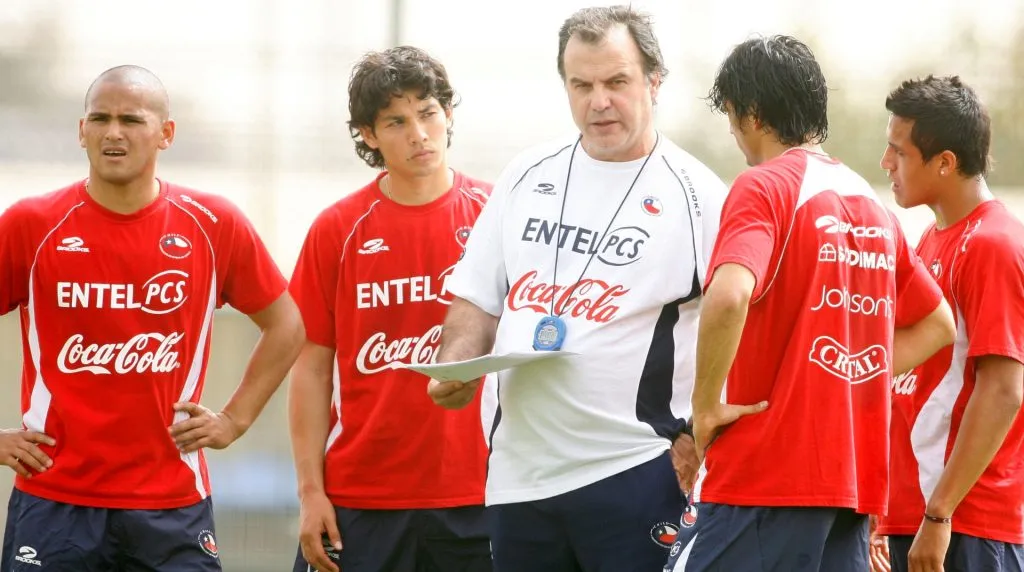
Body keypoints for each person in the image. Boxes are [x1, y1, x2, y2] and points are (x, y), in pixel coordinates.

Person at [428, 6, 728, 571]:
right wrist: (457, 365)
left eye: (617, 82)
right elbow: (477, 296)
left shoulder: (700, 195)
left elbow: (741, 322)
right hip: (519, 475)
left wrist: (697, 429)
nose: (599, 101)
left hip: (635, 467)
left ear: (654, 81)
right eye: (581, 84)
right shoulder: (525, 173)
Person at [664, 36, 957, 572]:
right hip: (848, 489)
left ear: (751, 115)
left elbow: (729, 294)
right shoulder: (870, 202)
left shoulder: (763, 186)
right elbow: (937, 324)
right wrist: (846, 372)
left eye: (731, 119)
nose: (735, 136)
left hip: (764, 482)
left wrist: (705, 409)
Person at [0, 65, 304, 571]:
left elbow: (287, 324)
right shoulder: (32, 224)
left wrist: (234, 420)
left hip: (171, 505)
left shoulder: (213, 224)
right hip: (54, 501)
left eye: (131, 119)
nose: (113, 132)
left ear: (166, 133)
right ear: (82, 132)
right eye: (99, 118)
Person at [287, 46, 494, 572]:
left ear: (448, 114)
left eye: (428, 113)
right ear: (369, 135)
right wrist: (311, 492)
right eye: (396, 121)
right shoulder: (337, 229)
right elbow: (311, 367)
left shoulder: (498, 216)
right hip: (360, 500)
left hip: (481, 497)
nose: (419, 133)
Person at [874, 75, 1024, 572]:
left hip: (966, 525)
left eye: (899, 151)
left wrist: (939, 514)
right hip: (916, 517)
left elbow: (1003, 390)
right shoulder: (929, 242)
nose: (886, 164)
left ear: (945, 162)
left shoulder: (993, 245)